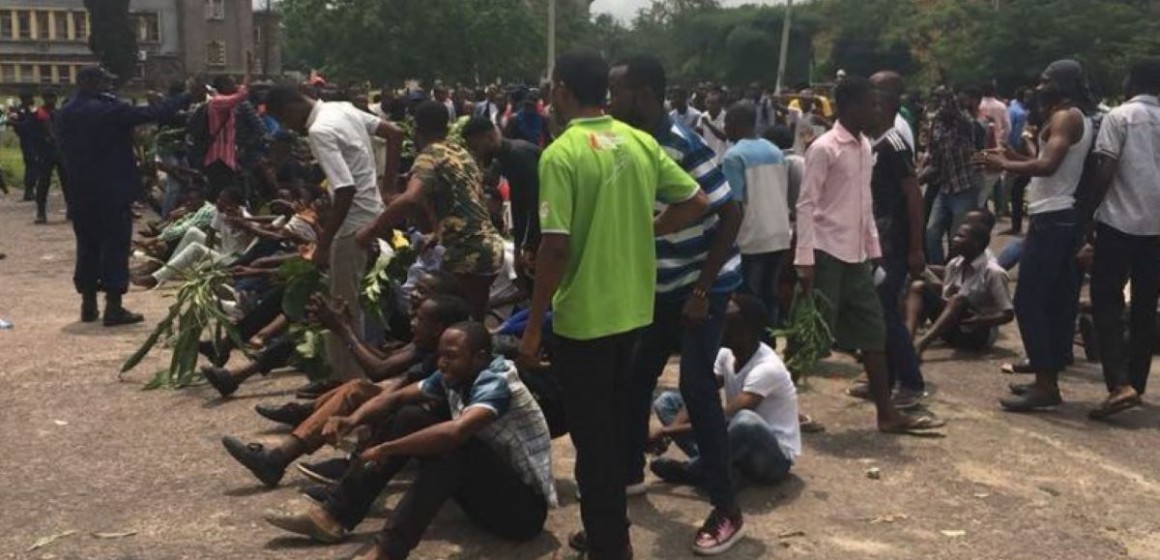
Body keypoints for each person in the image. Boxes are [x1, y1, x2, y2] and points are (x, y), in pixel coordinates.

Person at [518, 50, 709, 560]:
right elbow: (698, 201)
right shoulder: (641, 142)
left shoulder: (562, 153)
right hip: (635, 313)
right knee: (615, 425)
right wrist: (652, 229)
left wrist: (534, 327)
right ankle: (612, 532)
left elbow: (554, 247)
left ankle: (609, 545)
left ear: (561, 90)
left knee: (593, 443)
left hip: (584, 320)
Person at [266, 323, 557, 560]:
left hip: (521, 513)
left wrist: (385, 448)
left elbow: (453, 433)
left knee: (452, 449)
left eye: (452, 355)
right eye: (441, 355)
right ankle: (334, 515)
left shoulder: (497, 381)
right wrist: (351, 420)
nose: (442, 362)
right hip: (487, 496)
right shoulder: (455, 374)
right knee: (409, 415)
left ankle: (387, 552)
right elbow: (396, 397)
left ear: (480, 357)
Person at [609, 54, 746, 556]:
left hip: (701, 286)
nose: (609, 100)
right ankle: (628, 474)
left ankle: (727, 508)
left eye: (616, 91)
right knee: (634, 378)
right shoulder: (633, 142)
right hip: (662, 288)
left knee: (695, 386)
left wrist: (703, 291)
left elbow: (731, 212)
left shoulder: (681, 142)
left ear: (642, 94)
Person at [795, 75, 944, 434]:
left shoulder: (865, 147)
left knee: (874, 333)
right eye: (870, 104)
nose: (877, 111)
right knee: (810, 337)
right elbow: (806, 204)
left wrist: (874, 252)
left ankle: (886, 413)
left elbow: (864, 207)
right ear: (849, 107)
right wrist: (804, 259)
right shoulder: (824, 148)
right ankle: (776, 404)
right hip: (826, 253)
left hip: (857, 257)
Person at [219, 294, 471, 487]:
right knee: (357, 389)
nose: (412, 318)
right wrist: (347, 328)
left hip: (430, 428)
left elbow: (379, 370)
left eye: (420, 315)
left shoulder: (444, 352)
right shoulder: (426, 344)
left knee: (358, 392)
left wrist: (343, 329)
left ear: (440, 326)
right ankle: (293, 434)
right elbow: (384, 360)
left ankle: (285, 456)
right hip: (414, 414)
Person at [263, 84, 403, 381]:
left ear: (290, 109)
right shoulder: (342, 108)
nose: (290, 128)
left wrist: (323, 244)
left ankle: (349, 381)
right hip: (371, 212)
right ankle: (345, 376)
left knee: (343, 306)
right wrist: (388, 187)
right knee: (351, 300)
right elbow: (394, 133)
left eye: (285, 121)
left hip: (350, 224)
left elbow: (344, 188)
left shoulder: (319, 130)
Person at [978, 59, 1095, 412]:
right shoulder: (1074, 116)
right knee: (1056, 300)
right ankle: (1049, 377)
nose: (1040, 85)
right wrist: (1011, 155)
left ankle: (1046, 384)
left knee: (1029, 300)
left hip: (1053, 216)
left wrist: (1005, 166)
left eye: (1046, 80)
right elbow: (1047, 164)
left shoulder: (1065, 118)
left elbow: (1047, 166)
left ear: (1061, 83)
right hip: (1060, 216)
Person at [55, 67, 192, 326]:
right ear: (90, 82)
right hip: (112, 189)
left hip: (80, 190)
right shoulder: (108, 111)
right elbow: (153, 113)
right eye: (103, 83)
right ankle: (114, 307)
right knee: (115, 245)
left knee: (87, 246)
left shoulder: (64, 113)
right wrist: (186, 97)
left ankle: (88, 304)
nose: (107, 88)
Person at [357, 101, 505, 322]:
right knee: (473, 319)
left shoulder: (429, 156)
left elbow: (411, 198)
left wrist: (371, 230)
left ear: (417, 131)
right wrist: (437, 232)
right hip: (490, 247)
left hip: (467, 252)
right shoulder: (460, 153)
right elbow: (465, 200)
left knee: (446, 319)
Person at [648, 294, 801, 488]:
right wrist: (670, 432)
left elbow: (727, 418)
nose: (719, 325)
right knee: (667, 403)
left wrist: (665, 431)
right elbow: (700, 396)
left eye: (727, 321)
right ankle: (722, 471)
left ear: (747, 328)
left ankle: (693, 470)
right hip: (734, 443)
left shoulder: (767, 368)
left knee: (745, 421)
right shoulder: (725, 355)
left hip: (772, 457)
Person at [1080, 58, 1160, 419]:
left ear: (1134, 80)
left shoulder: (1120, 116)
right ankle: (1137, 384)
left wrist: (1086, 214)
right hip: (1156, 229)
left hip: (1119, 221)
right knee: (1145, 306)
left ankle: (1119, 383)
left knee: (1106, 301)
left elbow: (1106, 168)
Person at [855, 70, 928, 409]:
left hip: (896, 244)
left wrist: (916, 248)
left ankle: (910, 383)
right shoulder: (876, 143)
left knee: (885, 313)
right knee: (876, 312)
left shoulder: (895, 144)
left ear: (880, 106)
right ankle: (883, 379)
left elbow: (913, 196)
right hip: (880, 242)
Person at [722, 101, 792, 325]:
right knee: (770, 293)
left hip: (752, 237)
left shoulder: (734, 156)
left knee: (750, 297)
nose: (724, 128)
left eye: (727, 123)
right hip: (779, 233)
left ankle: (755, 343)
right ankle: (770, 340)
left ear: (736, 123)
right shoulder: (775, 151)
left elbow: (735, 204)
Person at [911, 223, 1015, 360]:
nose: (954, 239)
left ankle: (920, 346)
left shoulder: (993, 272)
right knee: (918, 286)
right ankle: (907, 341)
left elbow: (1008, 314)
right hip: (953, 329)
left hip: (978, 335)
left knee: (958, 299)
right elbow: (945, 298)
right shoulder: (954, 265)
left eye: (961, 236)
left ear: (976, 243)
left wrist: (982, 320)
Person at [130, 188, 252, 289]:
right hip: (222, 252)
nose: (218, 202)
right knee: (193, 232)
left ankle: (156, 278)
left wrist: (242, 224)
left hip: (234, 260)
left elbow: (253, 244)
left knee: (195, 248)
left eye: (223, 201)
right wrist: (208, 255)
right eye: (219, 199)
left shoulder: (246, 218)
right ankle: (167, 269)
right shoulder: (220, 212)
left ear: (234, 205)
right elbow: (211, 234)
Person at [462, 116, 542, 264]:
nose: (477, 153)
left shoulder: (519, 156)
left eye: (476, 147)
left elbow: (534, 203)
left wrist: (528, 246)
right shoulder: (504, 158)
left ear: (489, 137)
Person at [924, 88, 985, 264]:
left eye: (941, 102)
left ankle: (955, 271)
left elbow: (983, 152)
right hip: (945, 187)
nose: (939, 107)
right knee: (931, 233)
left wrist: (945, 89)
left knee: (957, 238)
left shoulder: (967, 123)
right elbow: (934, 156)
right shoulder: (937, 124)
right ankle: (940, 269)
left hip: (965, 187)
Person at [1000, 88, 1037, 233]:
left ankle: (1016, 225)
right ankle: (1016, 224)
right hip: (1022, 154)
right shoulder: (1023, 113)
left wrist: (1014, 154)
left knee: (1017, 189)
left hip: (1025, 156)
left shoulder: (1017, 111)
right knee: (1016, 190)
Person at [32, 90, 66, 224]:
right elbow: (32, 133)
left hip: (61, 152)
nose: (51, 100)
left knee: (67, 182)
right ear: (44, 98)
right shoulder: (38, 114)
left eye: (53, 97)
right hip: (45, 153)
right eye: (48, 98)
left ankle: (72, 210)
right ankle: (41, 212)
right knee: (43, 183)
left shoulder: (59, 114)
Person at [9, 92, 40, 201]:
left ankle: (31, 190)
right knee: (31, 165)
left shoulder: (31, 109)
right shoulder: (18, 111)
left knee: (34, 166)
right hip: (27, 141)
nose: (32, 100)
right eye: (30, 97)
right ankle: (29, 191)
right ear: (24, 99)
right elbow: (16, 125)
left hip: (35, 140)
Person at [699, 89, 730, 163]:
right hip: (708, 158)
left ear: (720, 104)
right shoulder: (704, 115)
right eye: (708, 103)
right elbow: (700, 134)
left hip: (721, 158)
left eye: (713, 103)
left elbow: (724, 137)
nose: (709, 106)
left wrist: (708, 124)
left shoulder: (726, 117)